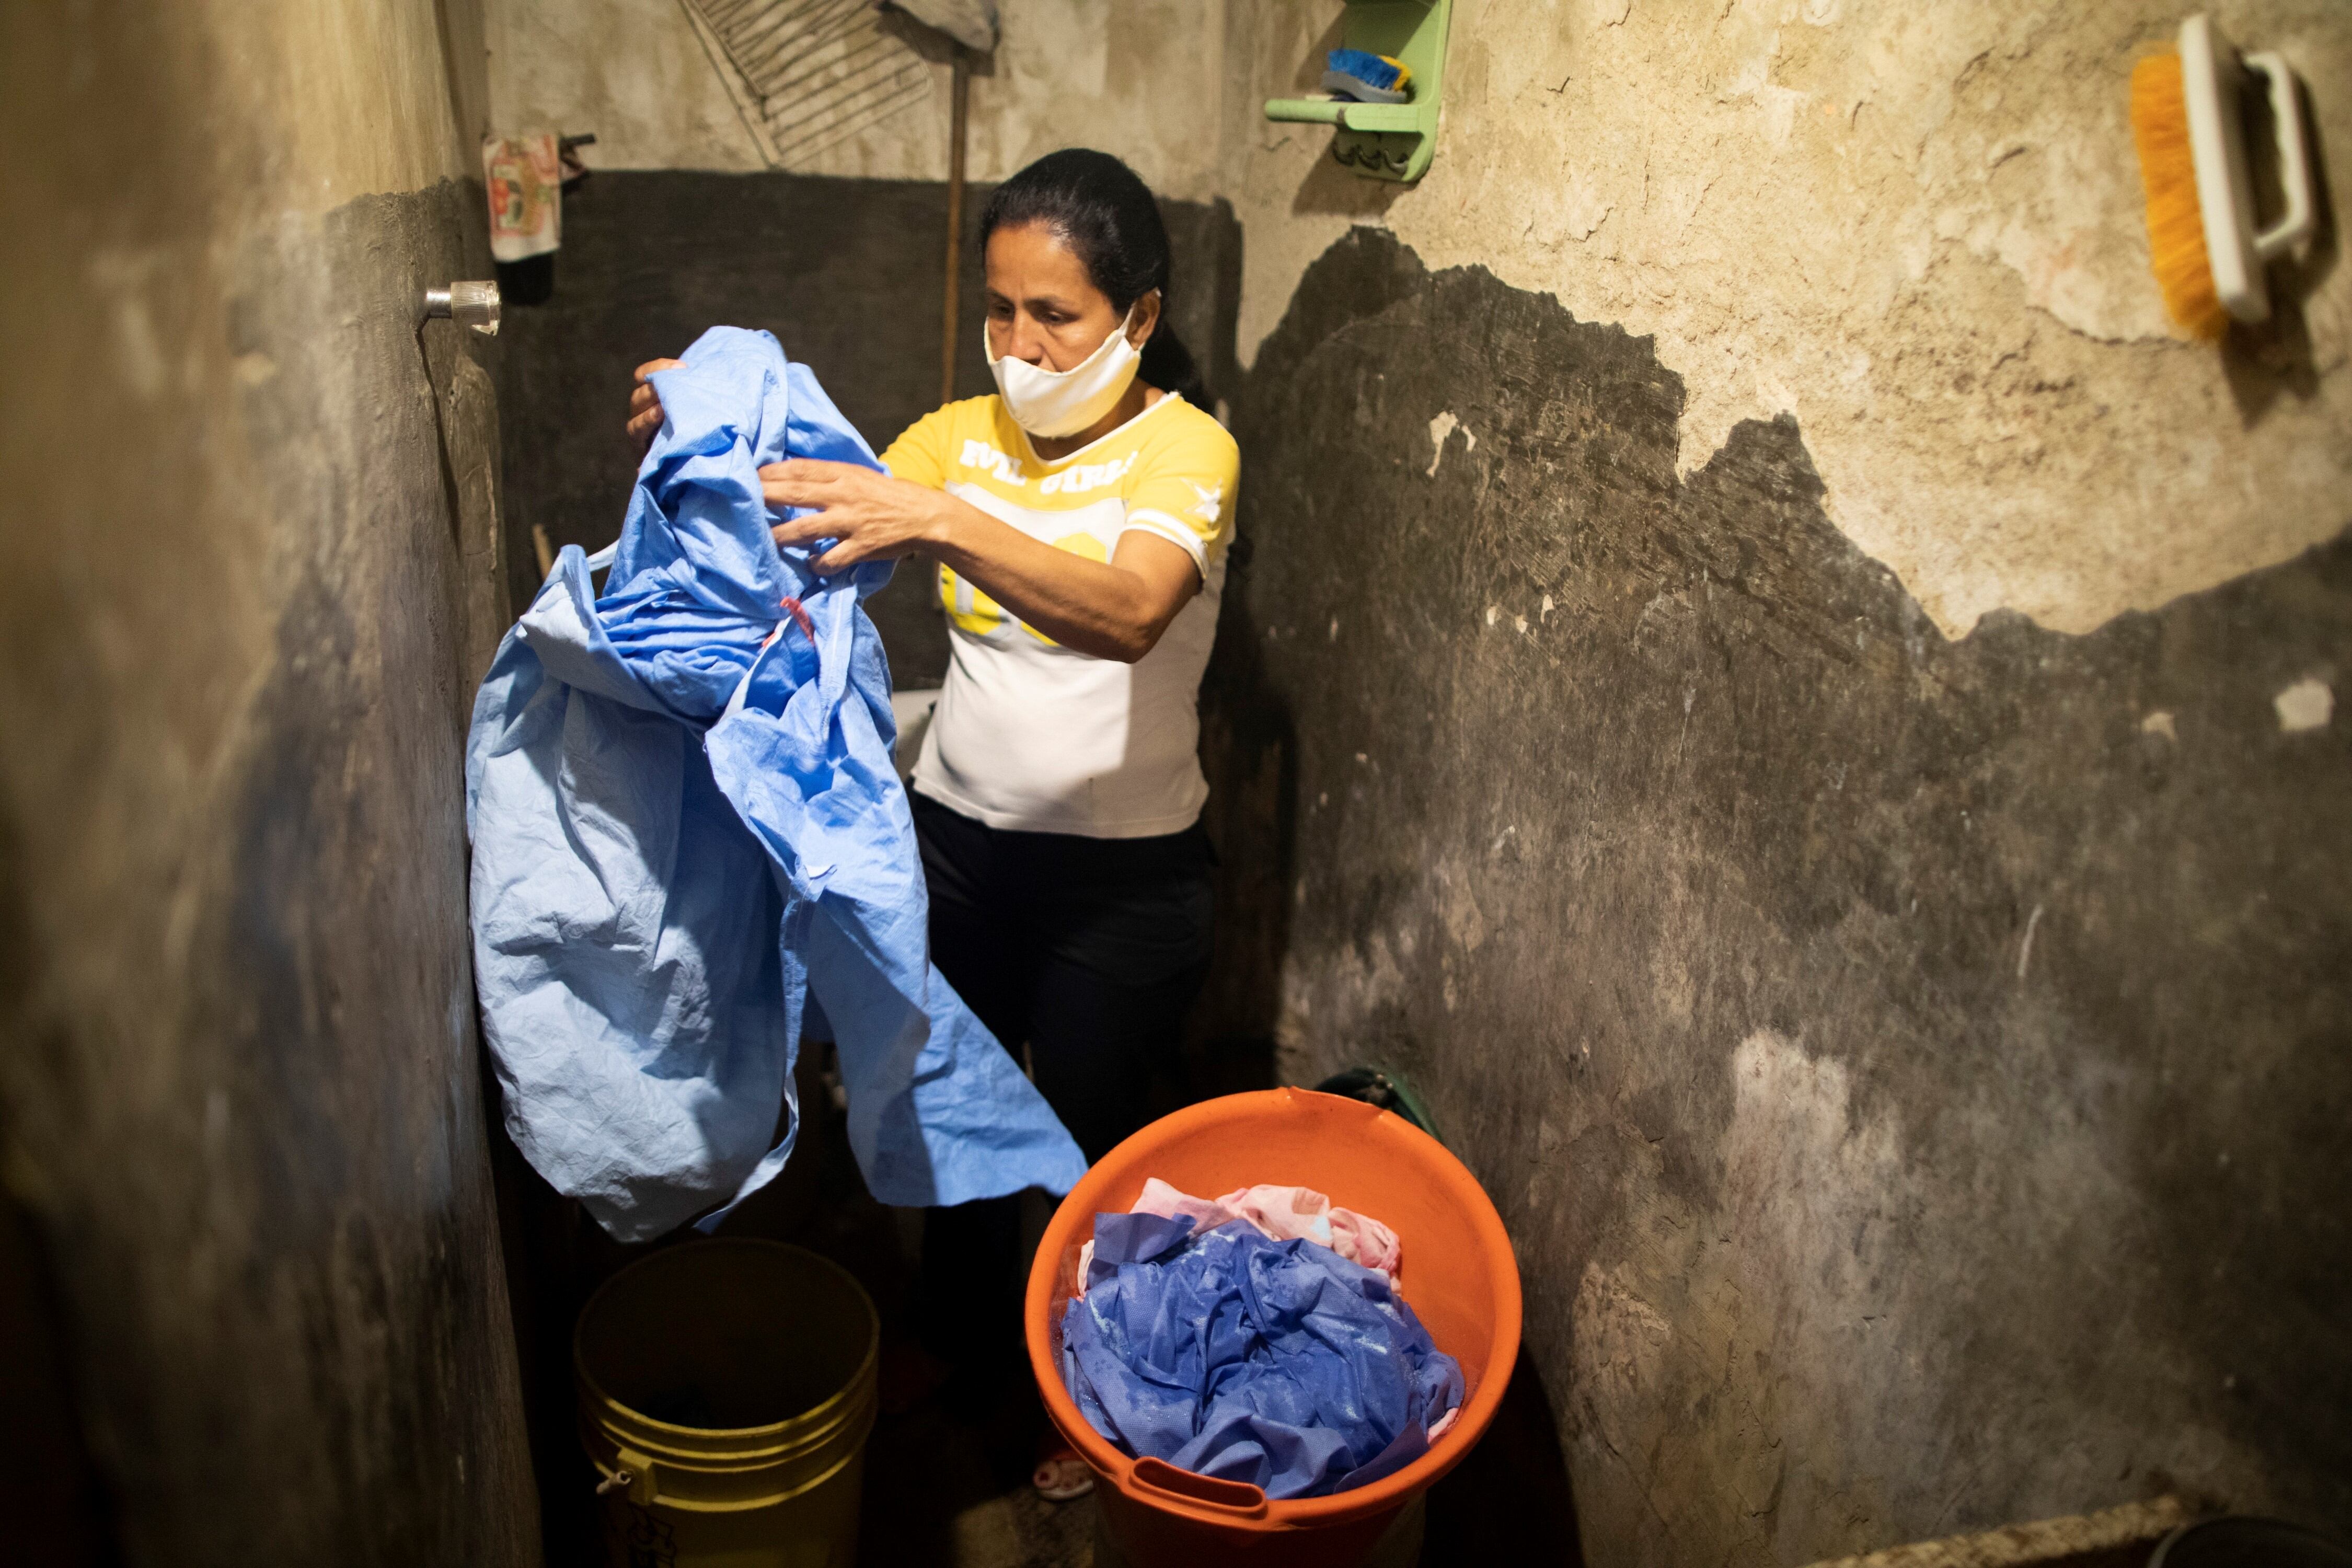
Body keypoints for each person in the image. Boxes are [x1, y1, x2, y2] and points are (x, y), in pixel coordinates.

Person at [625, 148, 1237, 1499]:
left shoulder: (1186, 447)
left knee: (1082, 1156)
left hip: (1121, 888)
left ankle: (1072, 1394)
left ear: (1134, 318)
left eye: (1056, 315)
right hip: (955, 851)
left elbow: (1129, 612)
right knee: (948, 1121)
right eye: (999, 309)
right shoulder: (956, 434)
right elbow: (811, 502)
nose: (1020, 344)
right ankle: (961, 1347)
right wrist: (705, 426)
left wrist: (949, 523)